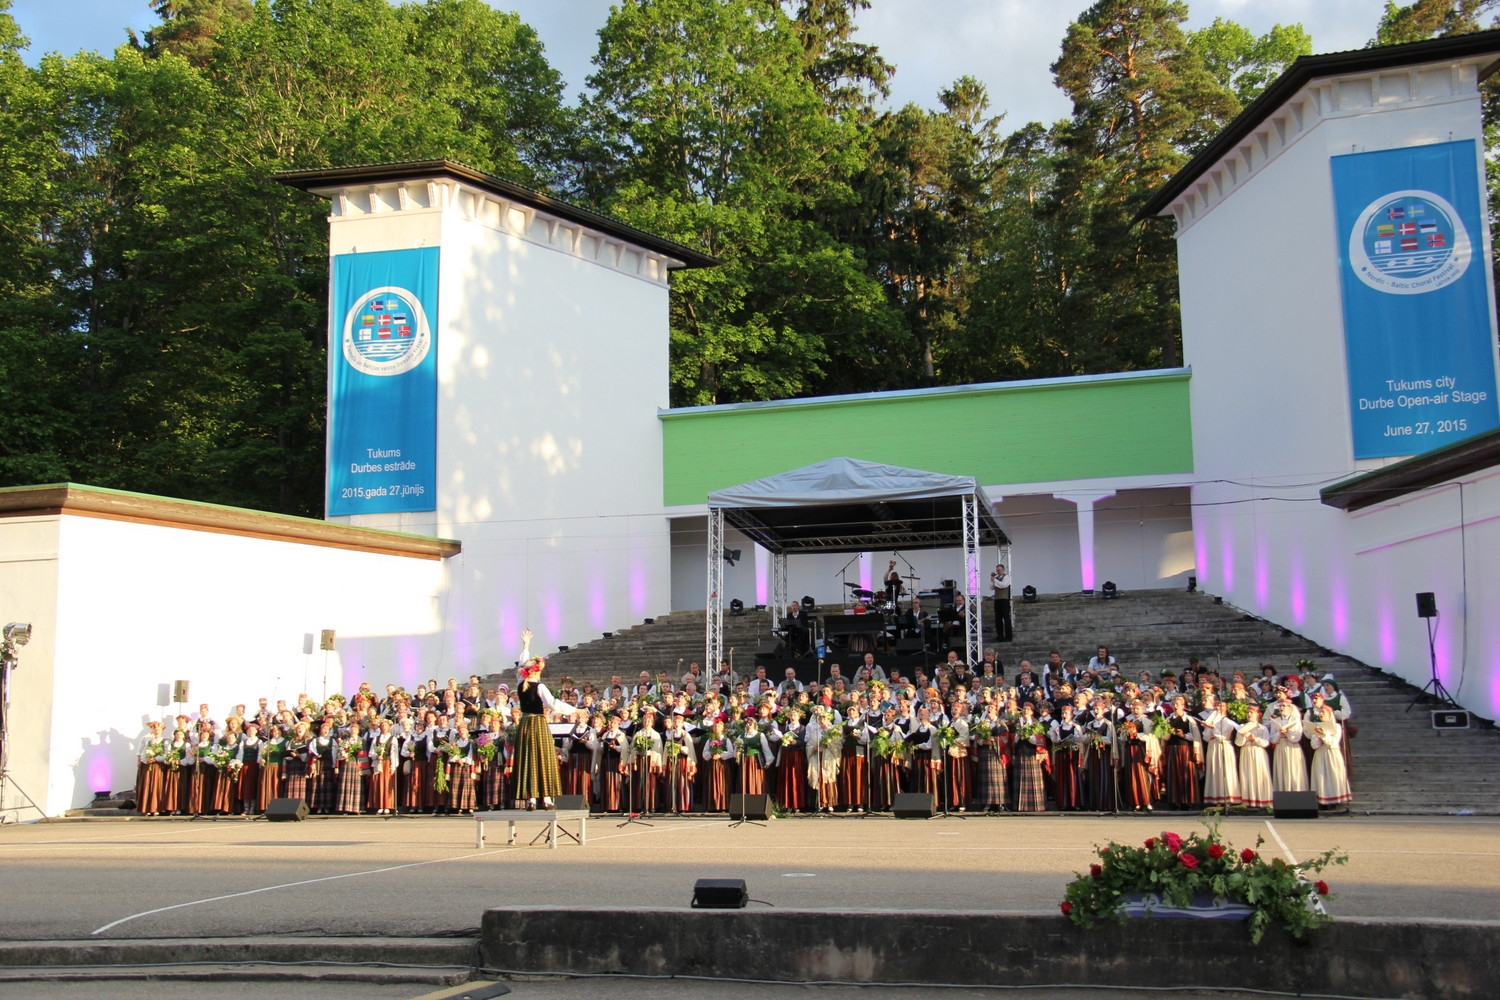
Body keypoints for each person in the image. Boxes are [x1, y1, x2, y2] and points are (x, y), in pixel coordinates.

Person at [511, 629, 571, 810]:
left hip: (524, 724)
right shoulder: (539, 686)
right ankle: (546, 798)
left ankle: (531, 799)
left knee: (529, 758)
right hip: (537, 723)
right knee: (543, 758)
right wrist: (575, 709)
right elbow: (553, 704)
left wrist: (526, 646)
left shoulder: (520, 683)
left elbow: (521, 665)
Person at [990, 563, 1013, 642]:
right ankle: (1000, 636)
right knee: (998, 619)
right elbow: (991, 587)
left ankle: (1008, 636)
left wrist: (995, 580)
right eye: (997, 570)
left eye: (999, 570)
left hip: (1004, 600)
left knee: (1006, 618)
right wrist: (992, 579)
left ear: (1003, 570)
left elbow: (1003, 585)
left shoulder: (1006, 577)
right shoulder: (996, 578)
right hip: (997, 600)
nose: (998, 572)